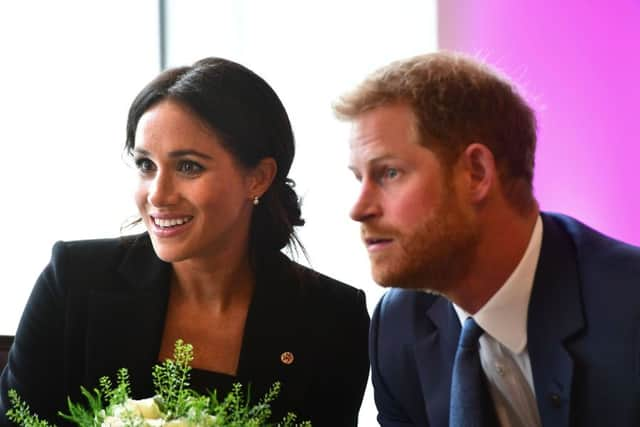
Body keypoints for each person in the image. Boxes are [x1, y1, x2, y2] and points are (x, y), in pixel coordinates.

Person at [0, 57, 370, 426]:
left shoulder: (331, 318)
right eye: (146, 165)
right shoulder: (72, 281)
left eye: (188, 166)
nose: (158, 195)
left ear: (258, 177)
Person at [333, 51, 640, 427]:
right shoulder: (397, 327)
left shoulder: (629, 307)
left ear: (476, 173)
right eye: (358, 178)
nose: (359, 208)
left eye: (390, 173)